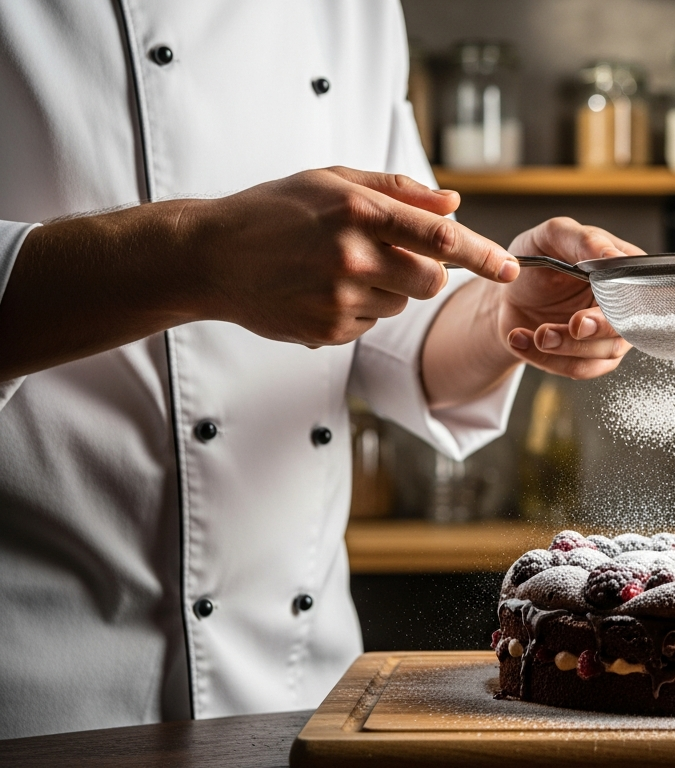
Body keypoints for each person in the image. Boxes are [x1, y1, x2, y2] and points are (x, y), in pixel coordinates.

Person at [0, 2, 638, 739]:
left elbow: (396, 316)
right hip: (37, 696)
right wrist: (199, 258)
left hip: (305, 697)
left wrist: (504, 316)